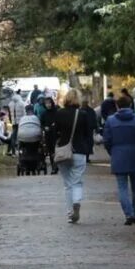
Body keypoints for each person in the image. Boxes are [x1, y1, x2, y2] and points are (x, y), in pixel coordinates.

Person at [100, 92, 135, 225]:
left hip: (118, 155)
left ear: (117, 106)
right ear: (130, 105)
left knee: (122, 187)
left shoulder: (111, 121)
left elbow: (106, 140)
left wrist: (112, 152)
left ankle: (128, 213)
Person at [49, 88, 98, 223]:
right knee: (77, 181)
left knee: (67, 184)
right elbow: (89, 135)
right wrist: (88, 149)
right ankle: (76, 202)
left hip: (63, 151)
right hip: (79, 151)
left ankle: (70, 212)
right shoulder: (82, 114)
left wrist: (52, 150)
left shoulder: (59, 114)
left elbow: (54, 133)